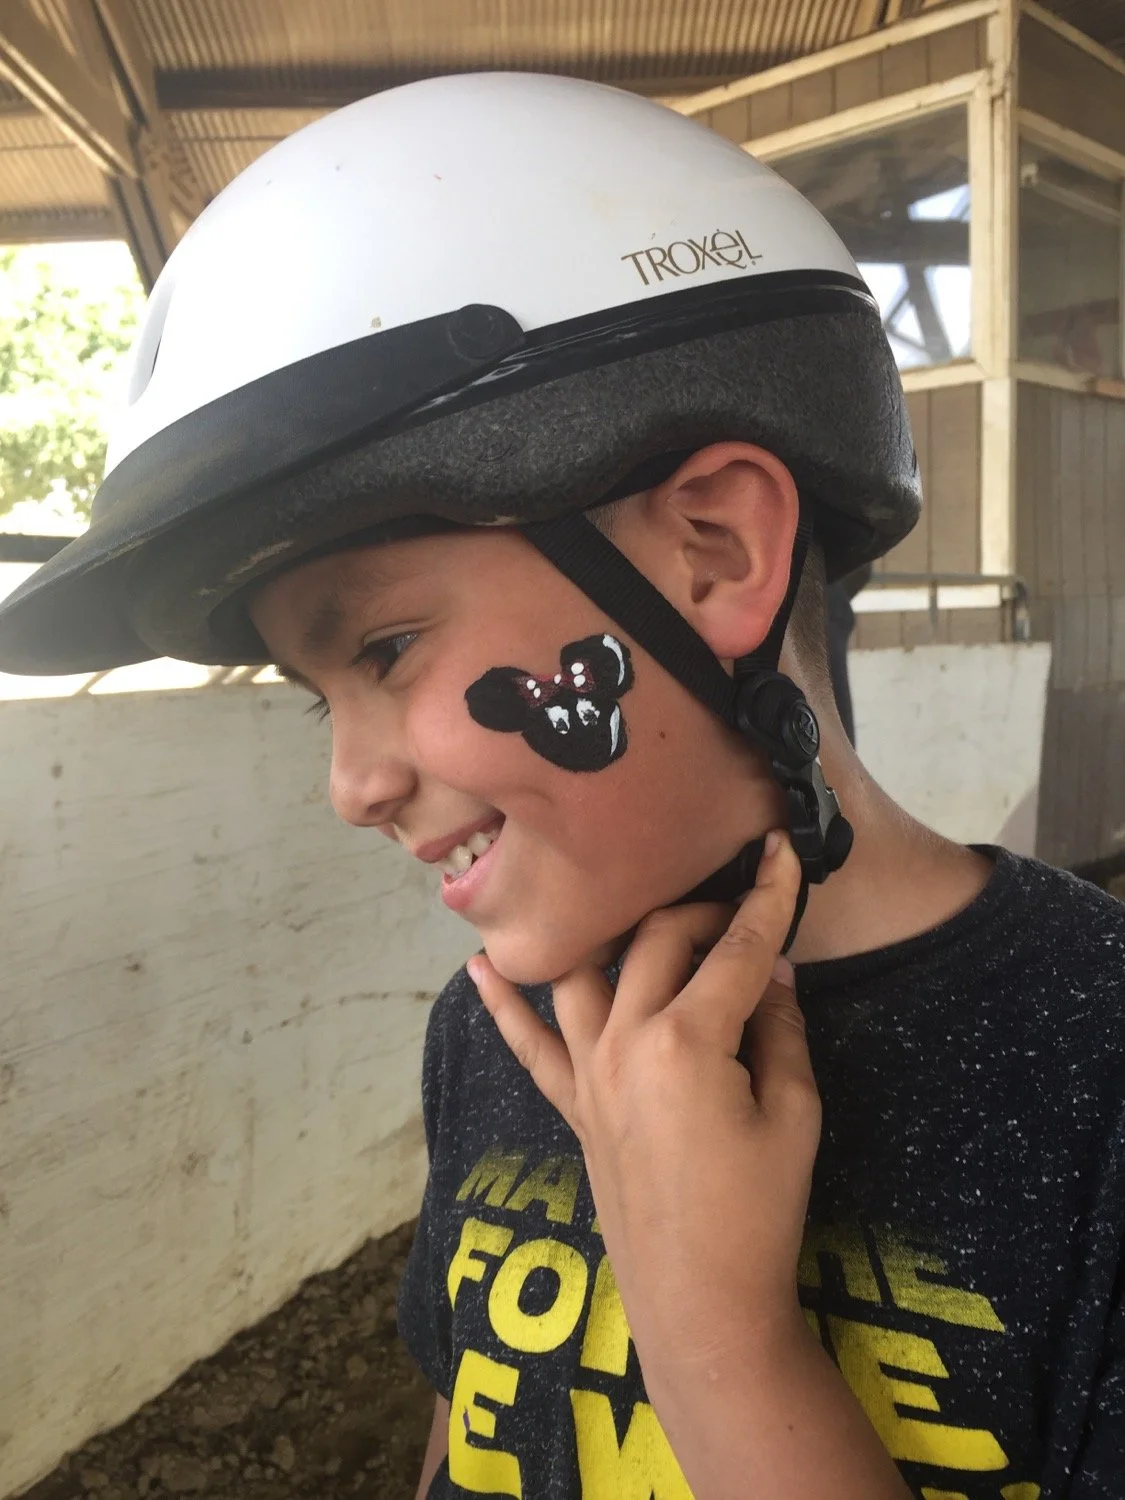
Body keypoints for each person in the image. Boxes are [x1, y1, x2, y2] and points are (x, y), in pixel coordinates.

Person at [1, 73, 1122, 1500]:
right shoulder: (501, 1032)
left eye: (388, 648)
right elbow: (469, 1418)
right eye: (317, 699)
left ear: (712, 550)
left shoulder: (1097, 1074)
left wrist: (717, 1346)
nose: (350, 784)